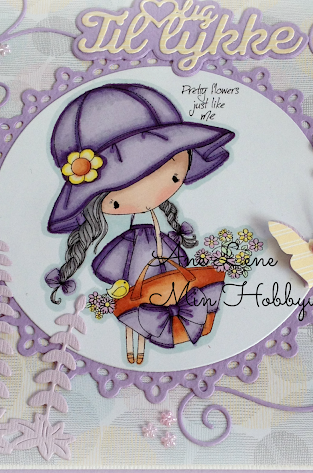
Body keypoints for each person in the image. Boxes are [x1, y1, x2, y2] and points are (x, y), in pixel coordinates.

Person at [46, 83, 235, 364]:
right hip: (136, 269)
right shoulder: (131, 236)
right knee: (135, 309)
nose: (147, 197)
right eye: (117, 197)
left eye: (173, 176)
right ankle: (136, 348)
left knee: (164, 297)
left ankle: (169, 331)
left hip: (162, 268)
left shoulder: (159, 225)